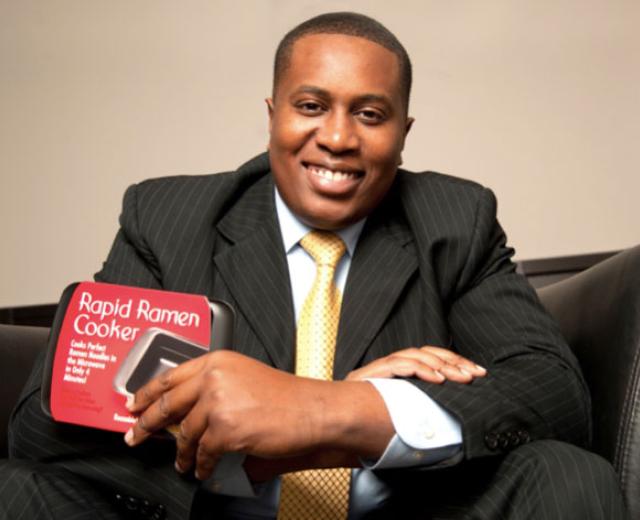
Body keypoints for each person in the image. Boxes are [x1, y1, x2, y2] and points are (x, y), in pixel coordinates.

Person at [1, 11, 627, 520]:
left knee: (567, 473)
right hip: (216, 513)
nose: (337, 138)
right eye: (310, 106)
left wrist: (335, 411)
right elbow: (43, 427)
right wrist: (247, 453)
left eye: (370, 114)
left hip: (403, 513)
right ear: (272, 113)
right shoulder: (168, 219)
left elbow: (554, 393)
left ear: (404, 133)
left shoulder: (454, 220)